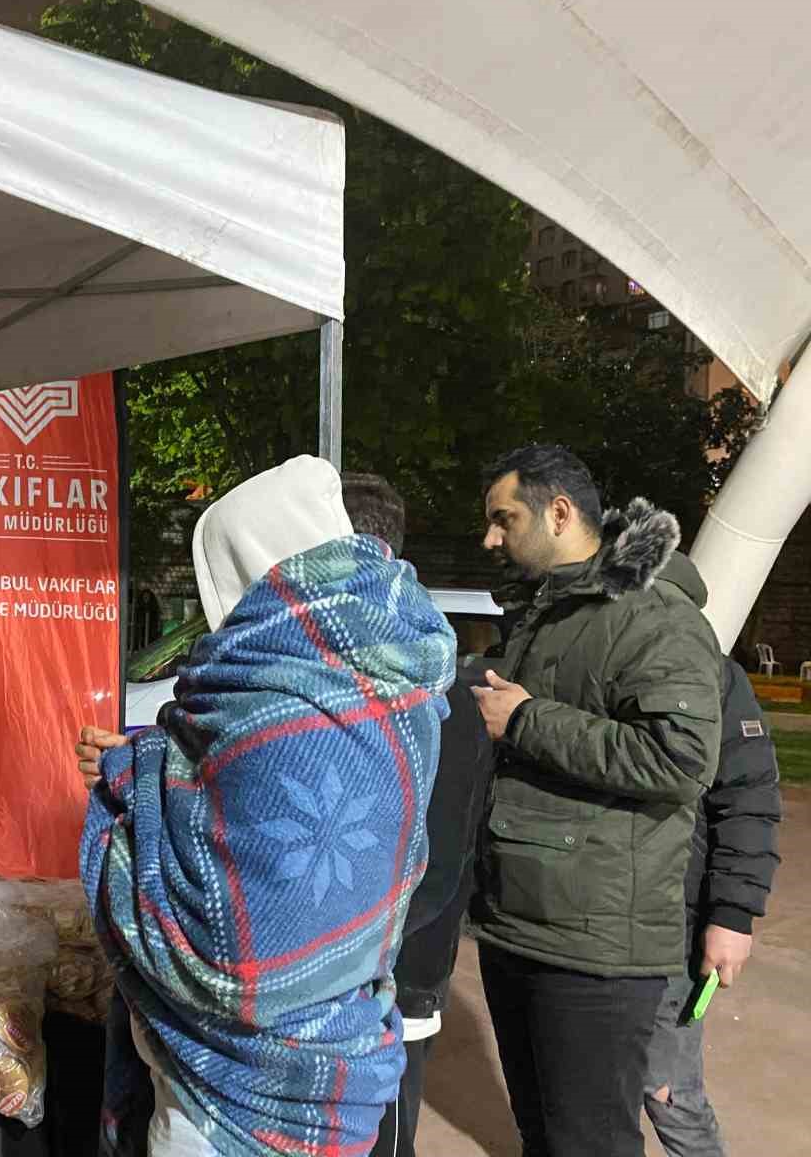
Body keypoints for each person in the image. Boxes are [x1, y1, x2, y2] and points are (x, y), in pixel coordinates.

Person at [80, 457, 455, 1157]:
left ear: (241, 569)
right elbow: (244, 819)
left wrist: (126, 778)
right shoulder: (403, 689)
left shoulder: (264, 702)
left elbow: (224, 943)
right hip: (346, 1042)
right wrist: (152, 760)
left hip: (222, 1093)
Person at [471, 445, 721, 1157]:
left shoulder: (652, 616)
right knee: (543, 1138)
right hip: (518, 922)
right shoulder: (548, 613)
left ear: (558, 512)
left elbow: (680, 758)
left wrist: (524, 720)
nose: (491, 538)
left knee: (589, 1143)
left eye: (503, 518)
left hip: (597, 948)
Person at [334, 474, 496, 1157]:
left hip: (381, 976)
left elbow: (444, 848)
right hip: (373, 970)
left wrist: (353, 954)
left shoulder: (429, 688)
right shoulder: (438, 679)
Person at [642, 632, 781, 1155]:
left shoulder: (708, 668)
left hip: (672, 921)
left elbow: (749, 797)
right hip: (577, 919)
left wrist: (733, 915)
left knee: (667, 1089)